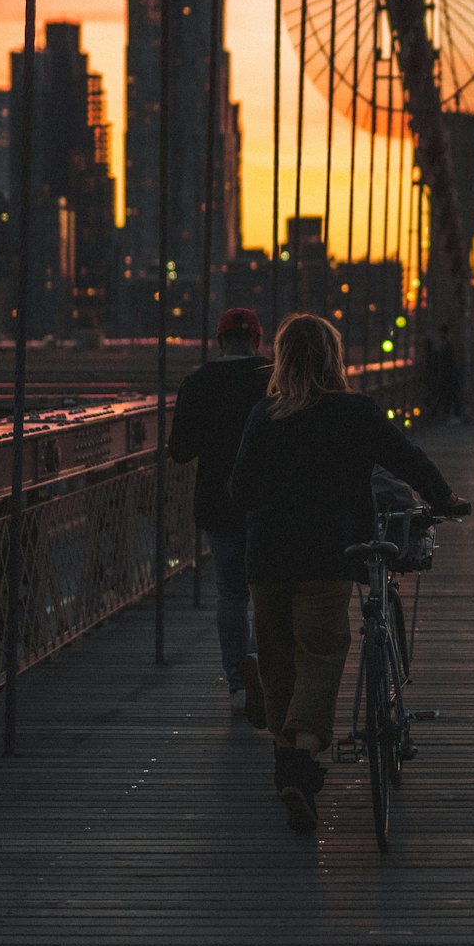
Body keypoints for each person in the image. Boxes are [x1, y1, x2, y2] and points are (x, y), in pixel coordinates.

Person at [228, 311, 470, 835]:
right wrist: (444, 497)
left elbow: (239, 492)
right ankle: (300, 758)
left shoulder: (263, 415)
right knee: (320, 655)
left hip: (267, 558)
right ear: (334, 359)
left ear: (284, 359)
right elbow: (406, 458)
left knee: (276, 660)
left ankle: (287, 760)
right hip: (329, 554)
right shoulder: (355, 412)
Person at [167, 305, 271, 719]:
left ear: (219, 340)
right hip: (266, 502)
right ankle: (263, 671)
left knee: (231, 593)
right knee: (267, 592)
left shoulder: (198, 382)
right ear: (258, 339)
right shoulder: (273, 380)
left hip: (218, 502)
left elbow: (180, 451)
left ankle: (238, 686)